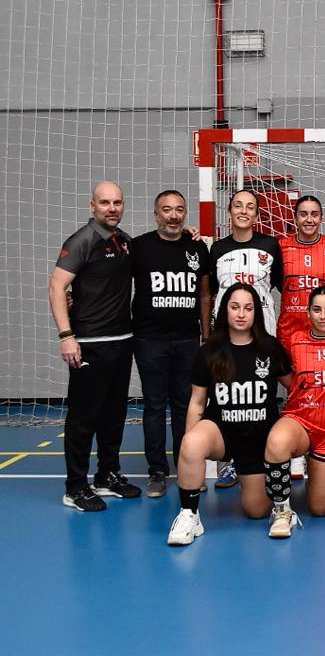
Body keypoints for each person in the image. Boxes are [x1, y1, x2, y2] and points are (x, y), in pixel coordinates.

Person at [166, 283, 292, 545]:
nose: (241, 314)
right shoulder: (209, 351)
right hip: (221, 431)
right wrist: (189, 449)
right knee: (191, 442)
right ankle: (189, 515)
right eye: (235, 307)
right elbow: (197, 403)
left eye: (248, 308)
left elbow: (296, 388)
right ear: (225, 310)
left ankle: (252, 475)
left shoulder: (270, 348)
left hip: (258, 439)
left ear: (256, 312)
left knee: (256, 510)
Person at [49, 181, 140, 511]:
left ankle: (106, 475)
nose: (112, 208)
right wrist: (66, 336)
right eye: (105, 202)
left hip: (122, 341)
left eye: (117, 202)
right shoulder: (82, 240)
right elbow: (56, 287)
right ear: (92, 206)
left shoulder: (124, 241)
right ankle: (75, 487)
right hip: (89, 343)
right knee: (83, 418)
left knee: (114, 415)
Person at [130, 190, 212, 498]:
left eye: (179, 209)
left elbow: (204, 294)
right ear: (156, 214)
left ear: (185, 213)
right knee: (154, 405)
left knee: (184, 405)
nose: (173, 215)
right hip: (149, 340)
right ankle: (157, 471)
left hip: (188, 339)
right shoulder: (139, 247)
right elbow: (113, 281)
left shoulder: (197, 247)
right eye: (166, 210)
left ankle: (185, 466)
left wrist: (206, 336)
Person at [262, 287, 325, 538]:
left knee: (320, 508)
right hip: (301, 420)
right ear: (308, 312)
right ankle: (282, 510)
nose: (323, 316)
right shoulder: (295, 340)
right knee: (276, 441)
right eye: (316, 310)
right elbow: (286, 376)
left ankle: (316, 468)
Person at [209, 188, 283, 489]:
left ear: (257, 214)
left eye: (250, 207)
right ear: (229, 211)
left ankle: (268, 455)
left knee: (263, 396)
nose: (243, 211)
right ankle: (233, 459)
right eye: (238, 205)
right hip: (227, 337)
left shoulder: (270, 245)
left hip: (262, 335)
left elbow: (279, 285)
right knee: (231, 396)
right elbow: (211, 291)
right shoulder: (217, 248)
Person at [277, 195, 325, 481]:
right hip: (291, 330)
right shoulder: (281, 246)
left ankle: (323, 446)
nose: (309, 219)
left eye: (314, 214)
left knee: (324, 388)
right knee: (295, 388)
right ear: (295, 217)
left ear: (322, 217)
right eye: (303, 213)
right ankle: (296, 453)